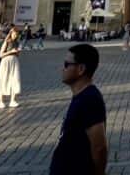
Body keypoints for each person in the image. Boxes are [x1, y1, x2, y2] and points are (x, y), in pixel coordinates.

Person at [50, 44, 107, 175]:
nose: (62, 69)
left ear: (81, 69)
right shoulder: (82, 96)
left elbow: (99, 147)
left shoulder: (89, 99)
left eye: (66, 64)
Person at [0, 24, 23, 109]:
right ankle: (1, 102)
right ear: (11, 33)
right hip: (5, 62)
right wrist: (11, 51)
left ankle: (13, 100)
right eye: (14, 34)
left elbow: (17, 54)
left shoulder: (17, 42)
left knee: (15, 80)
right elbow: (1, 55)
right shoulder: (7, 41)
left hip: (14, 62)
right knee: (3, 81)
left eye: (17, 34)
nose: (15, 36)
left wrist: (18, 52)